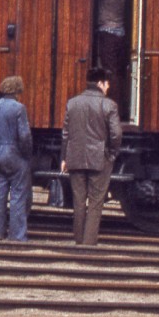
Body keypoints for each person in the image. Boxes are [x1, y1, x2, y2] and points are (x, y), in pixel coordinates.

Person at [61, 67, 122, 246]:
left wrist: (64, 157)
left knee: (78, 200)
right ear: (100, 83)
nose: (108, 87)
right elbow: (116, 134)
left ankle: (78, 239)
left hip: (75, 156)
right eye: (107, 83)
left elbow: (65, 133)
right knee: (96, 202)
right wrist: (112, 153)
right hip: (99, 159)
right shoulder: (110, 105)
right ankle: (89, 243)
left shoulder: (72, 103)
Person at [0, 75, 34, 242]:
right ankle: (17, 236)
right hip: (15, 154)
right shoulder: (19, 108)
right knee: (18, 195)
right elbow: (24, 136)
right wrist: (26, 154)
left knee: (0, 194)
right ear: (18, 90)